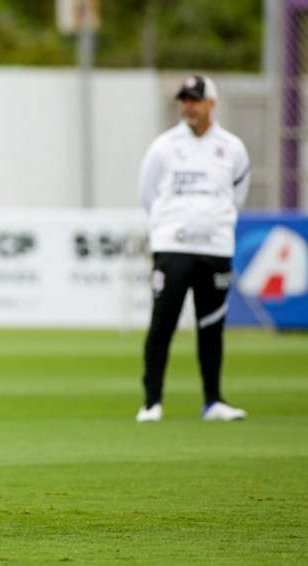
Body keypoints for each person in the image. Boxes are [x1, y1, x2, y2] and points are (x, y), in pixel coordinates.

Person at [136, 75, 250, 423]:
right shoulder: (164, 146)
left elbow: (237, 196)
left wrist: (216, 224)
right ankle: (152, 402)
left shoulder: (232, 148)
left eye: (194, 100)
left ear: (210, 104)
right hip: (173, 247)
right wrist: (167, 228)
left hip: (215, 248)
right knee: (162, 324)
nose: (188, 106)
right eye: (183, 99)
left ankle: (213, 401)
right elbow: (146, 193)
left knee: (211, 325)